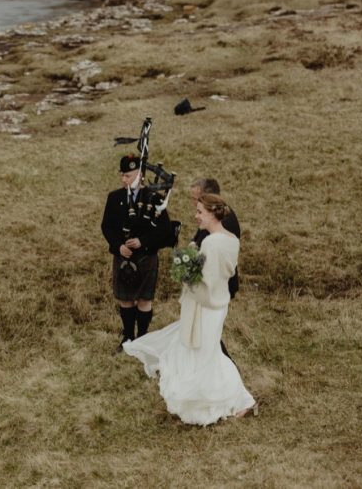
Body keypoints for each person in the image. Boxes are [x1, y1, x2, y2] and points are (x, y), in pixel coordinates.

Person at [123, 193, 256, 426]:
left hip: (206, 305)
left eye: (200, 212)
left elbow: (203, 280)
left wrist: (184, 271)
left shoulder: (211, 242)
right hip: (219, 304)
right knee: (208, 351)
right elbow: (227, 274)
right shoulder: (232, 239)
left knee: (208, 353)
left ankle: (241, 399)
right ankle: (229, 399)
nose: (196, 217)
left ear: (213, 214)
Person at [101, 154, 172, 353]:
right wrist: (118, 247)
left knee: (144, 299)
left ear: (140, 174)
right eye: (122, 175)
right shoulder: (114, 198)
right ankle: (128, 336)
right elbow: (106, 227)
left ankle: (142, 338)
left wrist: (143, 241)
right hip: (123, 258)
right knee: (125, 299)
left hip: (146, 257)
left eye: (128, 175)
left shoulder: (153, 197)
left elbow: (164, 229)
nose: (124, 180)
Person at [189, 178, 240, 363]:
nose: (194, 205)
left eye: (197, 199)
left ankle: (227, 370)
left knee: (210, 334)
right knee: (208, 333)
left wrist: (187, 268)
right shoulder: (218, 220)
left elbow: (211, 267)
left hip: (215, 289)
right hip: (215, 288)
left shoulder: (223, 224)